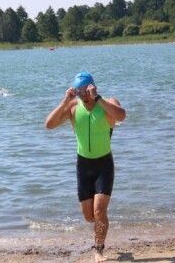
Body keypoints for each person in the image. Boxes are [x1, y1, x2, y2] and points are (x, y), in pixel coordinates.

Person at [44, 72, 126, 262]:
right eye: (79, 92)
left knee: (99, 211)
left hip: (104, 164)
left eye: (86, 92)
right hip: (84, 166)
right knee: (89, 216)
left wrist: (98, 98)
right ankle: (100, 224)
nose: (83, 96)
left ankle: (98, 250)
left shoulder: (108, 102)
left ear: (93, 88)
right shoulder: (73, 107)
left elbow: (122, 116)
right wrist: (65, 101)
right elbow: (49, 125)